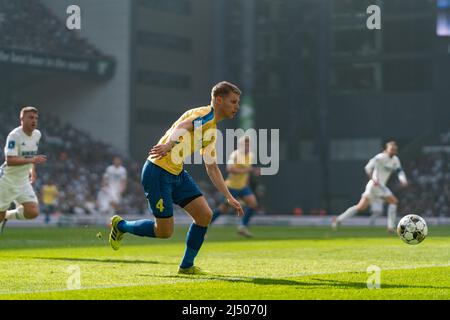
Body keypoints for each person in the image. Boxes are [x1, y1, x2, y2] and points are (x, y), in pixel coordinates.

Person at [108, 81, 244, 275]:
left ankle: (186, 266)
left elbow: (211, 167)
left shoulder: (212, 131)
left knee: (205, 215)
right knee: (164, 232)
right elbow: (183, 125)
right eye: (233, 102)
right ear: (219, 100)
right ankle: (120, 225)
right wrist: (169, 144)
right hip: (158, 170)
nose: (236, 107)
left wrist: (229, 196)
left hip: (177, 173)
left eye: (237, 102)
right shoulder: (206, 115)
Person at [332, 141, 408, 232]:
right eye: (391, 149)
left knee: (360, 207)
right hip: (375, 185)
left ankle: (338, 219)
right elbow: (368, 167)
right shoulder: (380, 157)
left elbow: (399, 171)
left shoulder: (395, 159)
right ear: (386, 149)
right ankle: (390, 227)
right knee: (394, 202)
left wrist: (403, 180)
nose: (393, 151)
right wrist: (373, 178)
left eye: (395, 150)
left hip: (378, 186)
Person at [0, 106, 47, 233]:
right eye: (31, 117)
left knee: (32, 211)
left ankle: (7, 216)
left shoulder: (37, 134)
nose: (34, 121)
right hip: (7, 181)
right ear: (22, 119)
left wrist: (33, 170)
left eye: (36, 118)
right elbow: (10, 160)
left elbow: (32, 154)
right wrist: (32, 161)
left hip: (22, 181)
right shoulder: (14, 136)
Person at [210, 135, 260, 237]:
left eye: (248, 145)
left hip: (242, 186)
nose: (247, 147)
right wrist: (247, 170)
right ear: (241, 145)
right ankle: (204, 226)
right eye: (245, 145)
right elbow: (230, 169)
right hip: (231, 186)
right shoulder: (235, 155)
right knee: (223, 209)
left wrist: (251, 175)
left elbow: (247, 172)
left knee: (253, 204)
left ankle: (242, 227)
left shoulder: (250, 156)